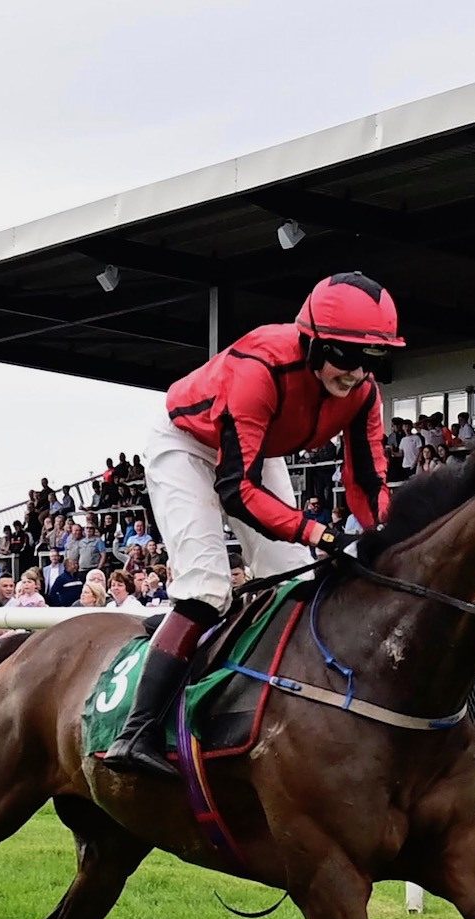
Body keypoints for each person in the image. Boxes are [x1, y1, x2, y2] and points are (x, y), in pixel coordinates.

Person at [102, 273, 395, 777]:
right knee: (206, 588)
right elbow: (237, 491)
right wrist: (318, 533)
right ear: (313, 343)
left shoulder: (364, 393)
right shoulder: (261, 368)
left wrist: (386, 537)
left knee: (297, 583)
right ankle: (135, 733)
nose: (357, 373)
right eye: (346, 356)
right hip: (187, 443)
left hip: (258, 448)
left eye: (371, 358)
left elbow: (367, 483)